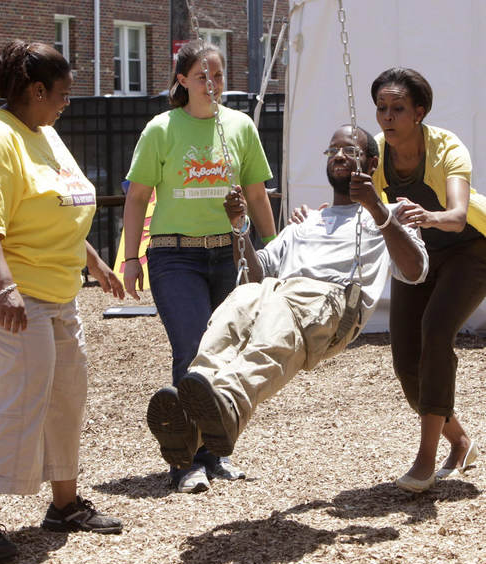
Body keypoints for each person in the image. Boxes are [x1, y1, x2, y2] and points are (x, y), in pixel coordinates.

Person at [145, 125, 428, 474]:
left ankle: (229, 404)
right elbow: (253, 273)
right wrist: (239, 226)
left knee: (275, 325)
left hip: (329, 301)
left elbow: (416, 270)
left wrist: (376, 208)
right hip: (278, 293)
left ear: (371, 164)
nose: (339, 155)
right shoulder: (305, 222)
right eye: (333, 150)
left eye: (349, 151)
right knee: (240, 302)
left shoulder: (391, 215)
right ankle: (192, 416)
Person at [0, 40, 125, 562]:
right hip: (0, 294)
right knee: (14, 400)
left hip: (56, 291)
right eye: (62, 93)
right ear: (35, 89)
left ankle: (64, 504)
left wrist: (93, 261)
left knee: (65, 396)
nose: (68, 102)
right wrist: (5, 287)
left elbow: (56, 206)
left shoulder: (43, 131)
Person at [124, 41, 277, 493]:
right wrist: (131, 259)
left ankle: (214, 455)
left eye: (218, 76)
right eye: (201, 77)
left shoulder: (240, 126)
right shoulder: (161, 129)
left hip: (227, 254)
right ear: (182, 81)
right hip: (174, 254)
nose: (212, 85)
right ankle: (185, 459)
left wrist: (271, 251)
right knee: (190, 347)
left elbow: (257, 195)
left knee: (224, 351)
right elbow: (135, 197)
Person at [369, 67, 486, 492]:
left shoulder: (447, 147)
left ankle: (424, 460)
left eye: (398, 108)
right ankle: (460, 442)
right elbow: (354, 206)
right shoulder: (375, 153)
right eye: (381, 108)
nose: (387, 116)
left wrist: (429, 216)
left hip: (470, 251)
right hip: (417, 257)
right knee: (405, 361)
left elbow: (456, 217)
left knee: (435, 333)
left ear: (420, 112)